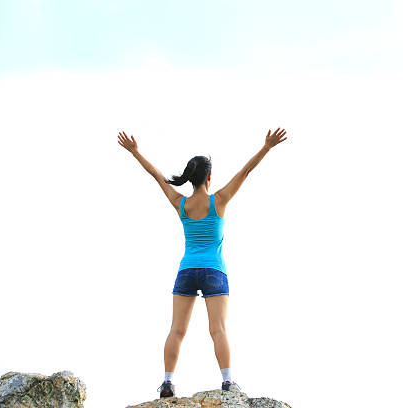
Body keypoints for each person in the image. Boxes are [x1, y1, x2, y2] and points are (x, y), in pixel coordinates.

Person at [117, 127, 288, 398]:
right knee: (218, 329)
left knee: (177, 330)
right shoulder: (218, 200)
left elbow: (157, 177)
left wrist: (135, 152)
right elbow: (245, 173)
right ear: (209, 177)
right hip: (214, 271)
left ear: (190, 179)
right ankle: (228, 382)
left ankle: (168, 382)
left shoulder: (180, 203)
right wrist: (266, 147)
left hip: (186, 270)